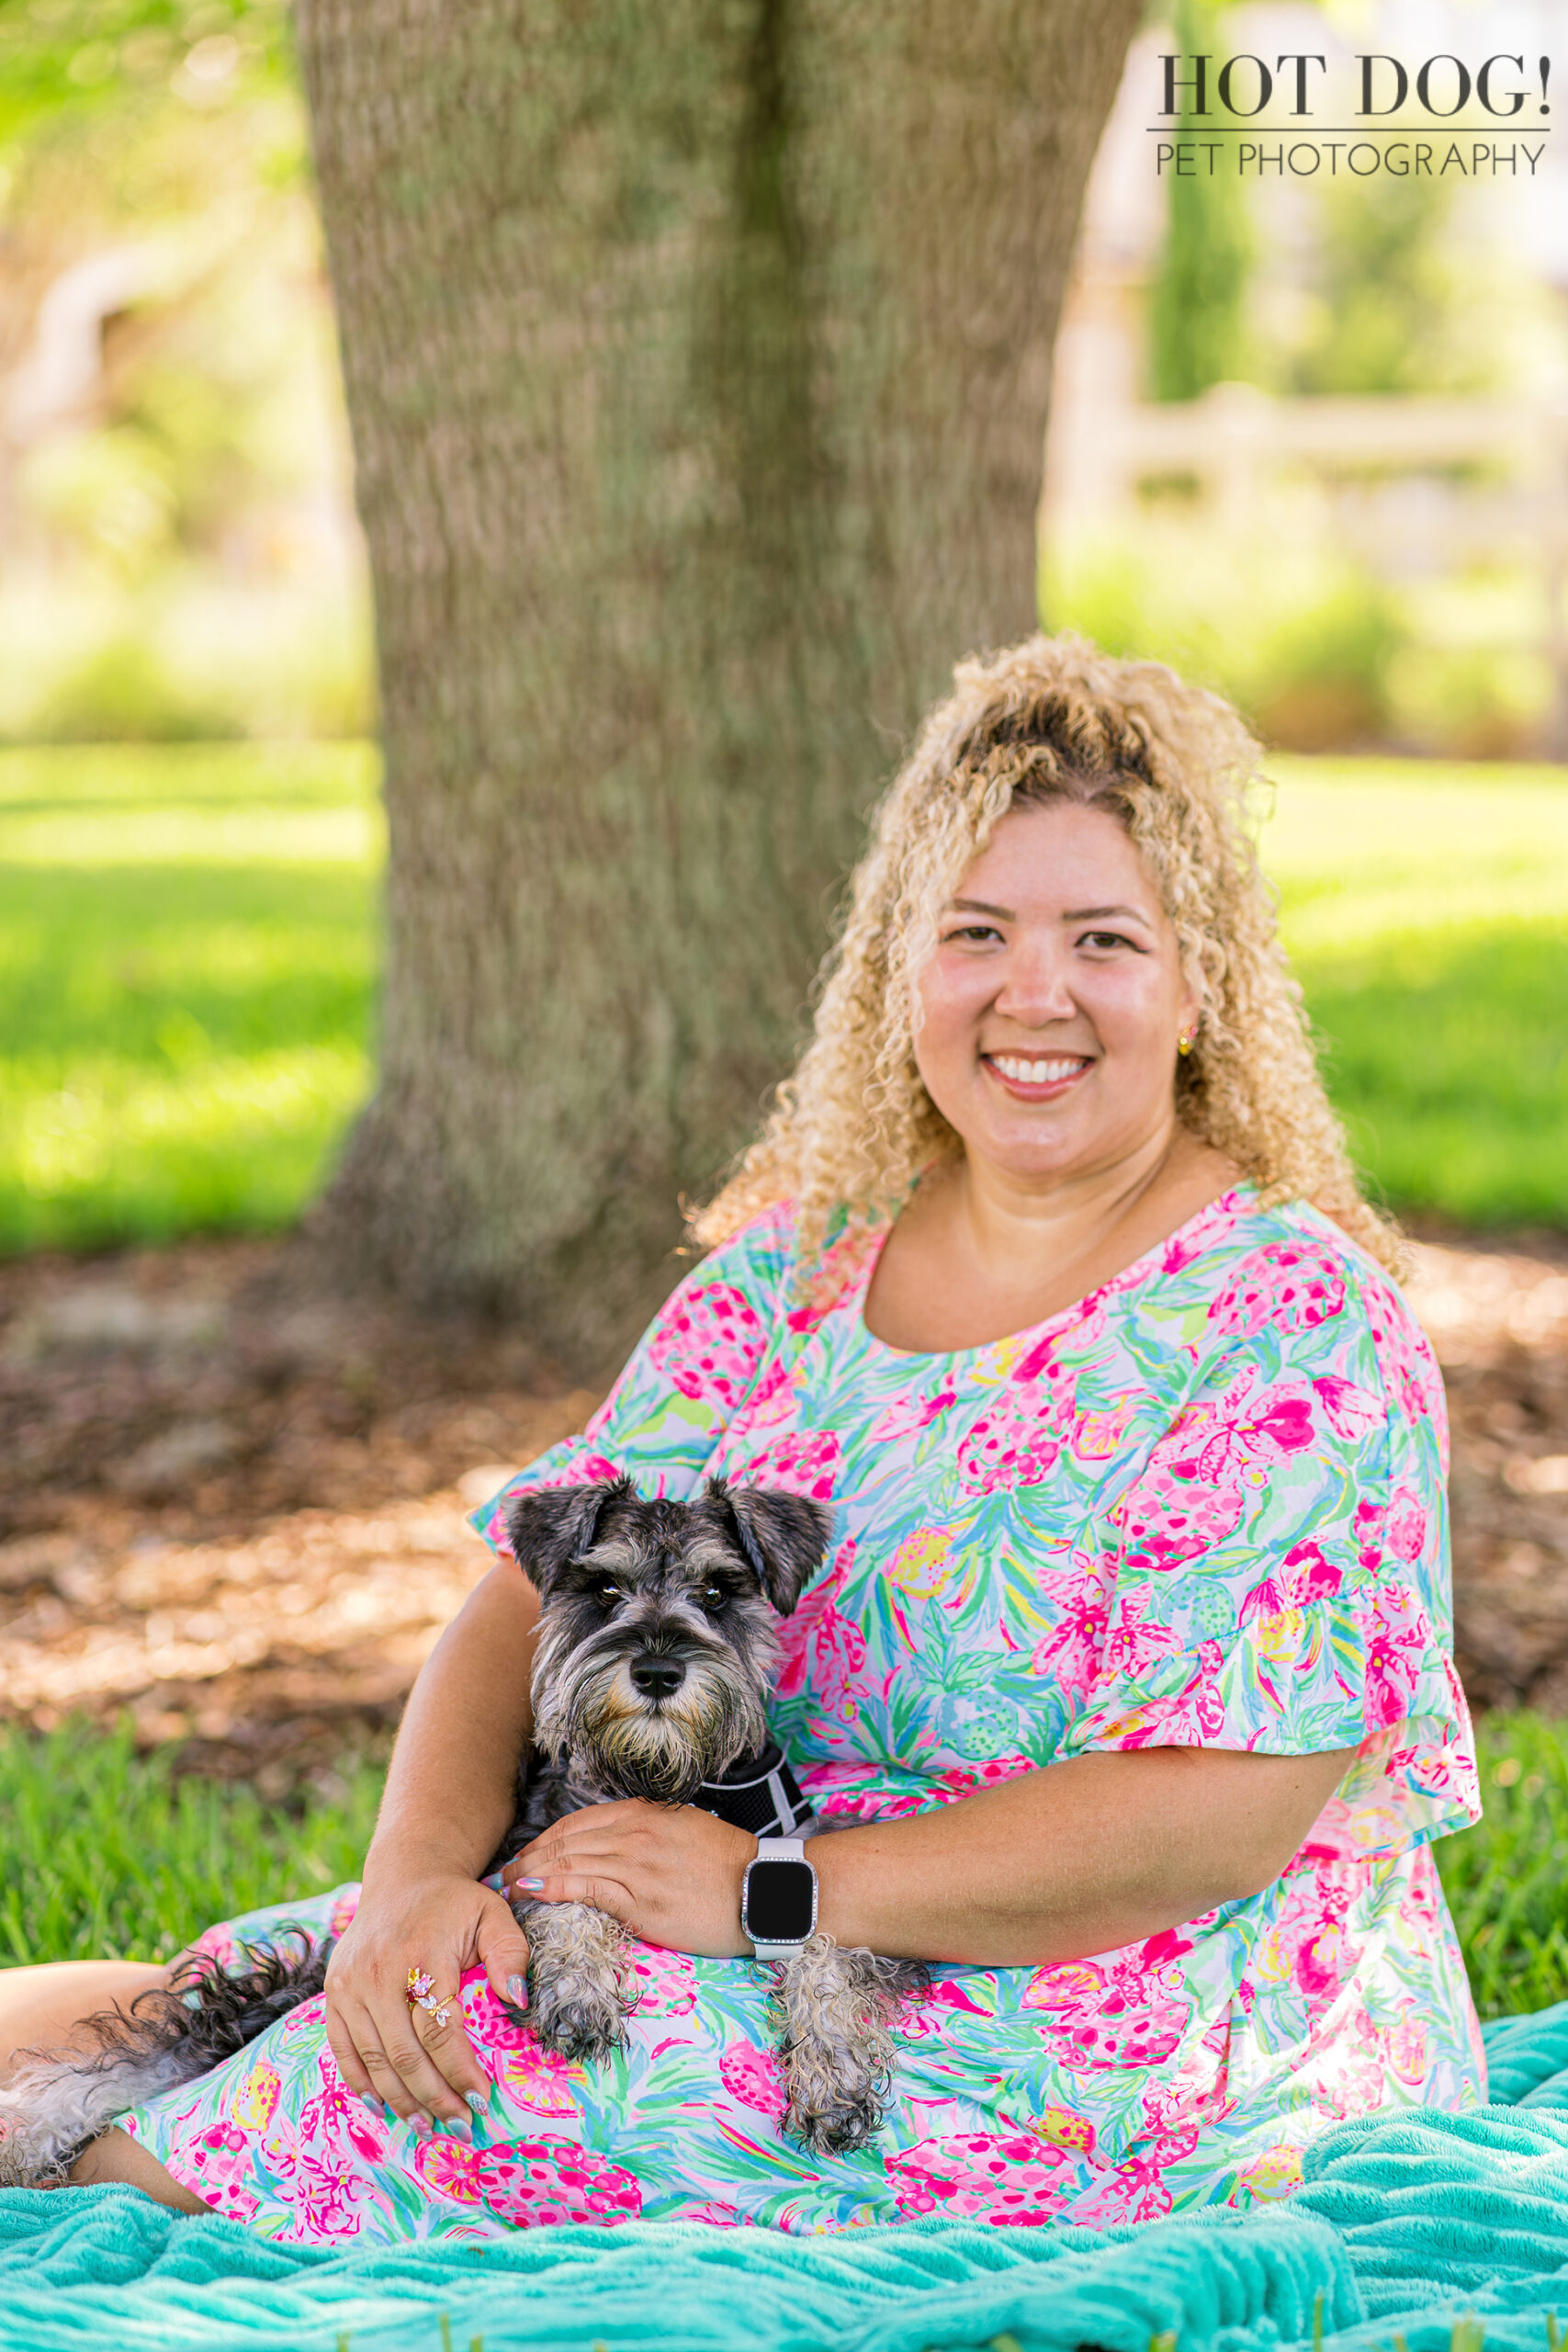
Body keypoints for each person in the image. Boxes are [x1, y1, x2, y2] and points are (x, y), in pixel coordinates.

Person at [4, 633, 1483, 2239]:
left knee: (415, 2085)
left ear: (1201, 989)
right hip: (706, 1899)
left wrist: (775, 1896)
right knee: (291, 1982)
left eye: (1104, 940)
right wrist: (424, 1875)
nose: (1032, 994)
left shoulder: (1291, 1322)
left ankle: (105, 2202)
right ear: (899, 969)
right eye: (975, 931)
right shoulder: (796, 1270)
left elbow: (1221, 1814)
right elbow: (522, 1605)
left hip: (1131, 2019)